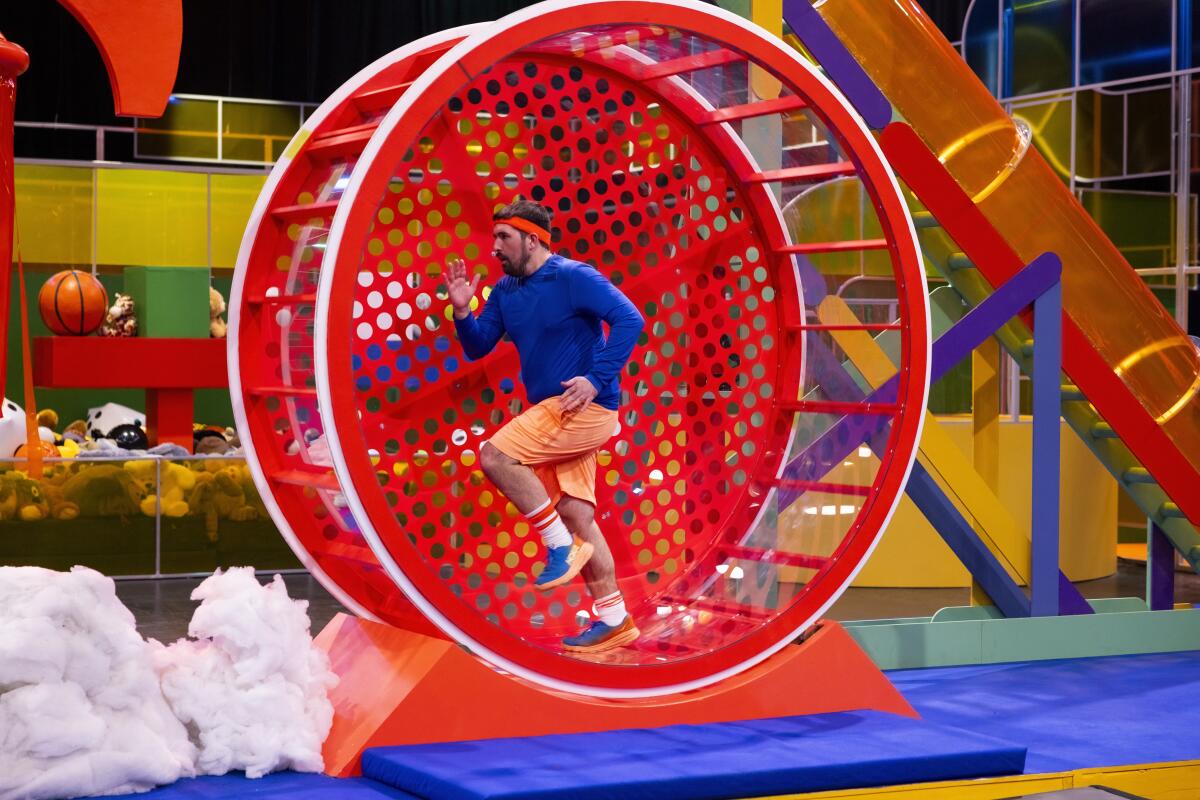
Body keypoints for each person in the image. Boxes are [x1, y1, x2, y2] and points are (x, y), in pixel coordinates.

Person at [447, 199, 645, 654]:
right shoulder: (504, 291)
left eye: (504, 237)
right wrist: (462, 312)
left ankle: (558, 546)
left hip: (584, 408)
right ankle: (614, 619)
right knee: (578, 515)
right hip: (557, 412)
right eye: (494, 236)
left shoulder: (575, 276)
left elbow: (630, 319)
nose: (494, 246)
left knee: (496, 455)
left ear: (533, 239)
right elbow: (478, 347)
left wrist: (596, 380)